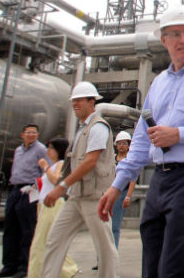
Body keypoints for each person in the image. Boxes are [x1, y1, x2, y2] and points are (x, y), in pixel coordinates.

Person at [98, 4, 184, 278]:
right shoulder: (159, 83)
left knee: (173, 270)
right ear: (164, 40)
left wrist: (179, 134)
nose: (183, 39)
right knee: (151, 268)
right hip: (160, 181)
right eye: (175, 34)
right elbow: (141, 139)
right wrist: (117, 185)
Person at [40, 81, 118, 278]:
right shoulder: (82, 129)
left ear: (92, 102)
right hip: (76, 196)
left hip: (94, 197)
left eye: (80, 100)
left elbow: (90, 161)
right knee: (55, 240)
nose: (75, 104)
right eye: (73, 101)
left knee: (104, 246)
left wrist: (61, 187)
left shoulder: (98, 127)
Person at [0, 124, 48, 278]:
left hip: (29, 190)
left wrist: (35, 189)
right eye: (28, 132)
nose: (31, 135)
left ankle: (24, 266)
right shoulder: (18, 150)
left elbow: (46, 171)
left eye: (34, 132)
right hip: (15, 189)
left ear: (38, 134)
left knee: (27, 229)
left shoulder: (41, 149)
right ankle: (9, 265)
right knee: (10, 228)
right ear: (22, 134)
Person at [26, 138, 79, 278]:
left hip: (53, 206)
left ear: (58, 151)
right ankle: (63, 269)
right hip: (44, 205)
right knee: (47, 240)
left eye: (51, 148)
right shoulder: (54, 165)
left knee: (41, 242)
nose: (48, 151)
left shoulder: (60, 164)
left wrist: (45, 167)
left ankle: (61, 270)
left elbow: (57, 181)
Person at [110, 130, 136, 249]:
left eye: (124, 143)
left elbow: (132, 179)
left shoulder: (130, 160)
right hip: (110, 192)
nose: (121, 146)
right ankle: (102, 257)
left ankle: (112, 252)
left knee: (115, 226)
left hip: (121, 193)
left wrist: (128, 196)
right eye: (119, 143)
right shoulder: (112, 159)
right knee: (105, 226)